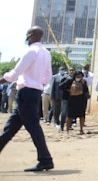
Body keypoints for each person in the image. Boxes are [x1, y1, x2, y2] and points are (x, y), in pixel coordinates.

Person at [0, 26, 54, 172]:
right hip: (34, 93)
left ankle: (46, 160)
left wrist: (2, 80)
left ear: (31, 35)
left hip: (26, 94)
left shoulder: (30, 52)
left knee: (34, 128)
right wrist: (37, 83)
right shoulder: (46, 53)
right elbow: (47, 77)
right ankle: (45, 160)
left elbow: (15, 74)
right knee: (10, 128)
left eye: (27, 35)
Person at [62, 70, 88, 135]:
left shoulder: (84, 82)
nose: (78, 77)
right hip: (72, 100)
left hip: (81, 100)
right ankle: (67, 130)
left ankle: (81, 129)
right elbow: (61, 86)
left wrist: (83, 84)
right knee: (70, 116)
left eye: (80, 76)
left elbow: (86, 90)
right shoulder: (70, 81)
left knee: (81, 115)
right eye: (77, 76)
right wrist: (68, 90)